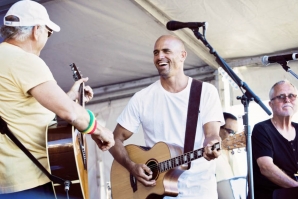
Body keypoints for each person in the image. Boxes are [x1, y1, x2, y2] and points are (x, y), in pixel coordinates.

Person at [0, 0, 114, 198]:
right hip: (33, 179)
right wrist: (99, 130)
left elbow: (19, 109)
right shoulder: (24, 60)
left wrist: (68, 97)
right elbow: (68, 112)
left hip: (7, 182)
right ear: (36, 30)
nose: (47, 37)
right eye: (48, 32)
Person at [109, 34, 224, 199]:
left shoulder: (205, 92)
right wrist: (132, 166)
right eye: (156, 52)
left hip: (200, 190)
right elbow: (114, 141)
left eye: (166, 51)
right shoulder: (142, 98)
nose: (159, 56)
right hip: (157, 193)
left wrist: (212, 142)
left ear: (182, 55)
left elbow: (212, 133)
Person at [251, 80, 298, 199]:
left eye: (291, 96)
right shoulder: (262, 129)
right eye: (281, 96)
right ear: (270, 104)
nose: (287, 100)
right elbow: (266, 168)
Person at [216, 112, 247, 182]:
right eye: (230, 131)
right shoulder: (209, 151)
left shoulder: (231, 152)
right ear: (218, 128)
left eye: (235, 133)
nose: (234, 137)